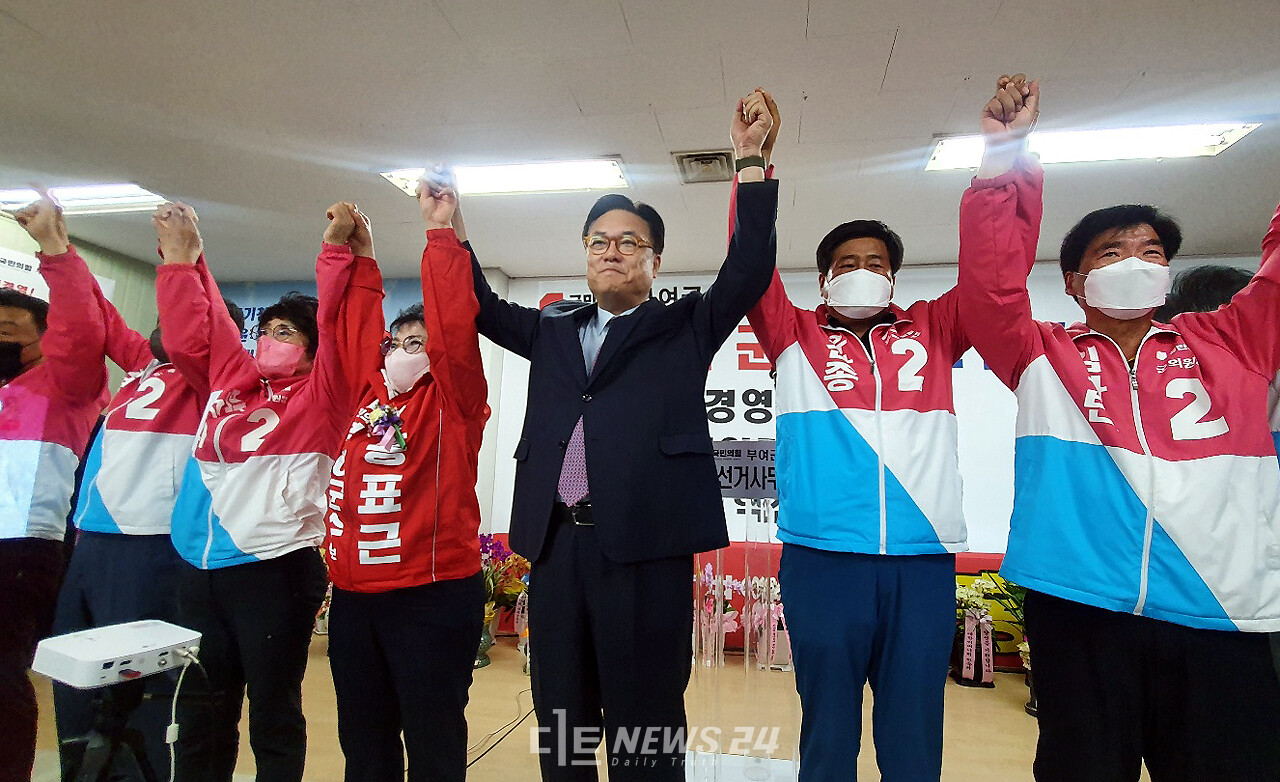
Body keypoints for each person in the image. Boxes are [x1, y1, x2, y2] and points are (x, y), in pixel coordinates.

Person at [958, 75, 1280, 780]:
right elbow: (988, 284)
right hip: (1079, 613)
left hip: (1220, 617)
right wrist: (1004, 159)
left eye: (1152, 252)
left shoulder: (1236, 344)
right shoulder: (1040, 353)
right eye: (1111, 252)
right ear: (1074, 282)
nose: (1135, 261)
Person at [468, 91, 776, 779]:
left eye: (629, 242)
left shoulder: (682, 327)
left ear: (655, 263)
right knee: (562, 715)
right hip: (555, 552)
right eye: (599, 241)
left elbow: (749, 269)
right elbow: (480, 307)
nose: (612, 251)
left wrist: (750, 162)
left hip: (645, 551)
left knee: (646, 719)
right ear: (585, 254)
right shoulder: (549, 331)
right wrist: (448, 229)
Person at [740, 82, 1037, 782]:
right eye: (848, 264)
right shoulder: (792, 335)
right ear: (822, 280)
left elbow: (997, 280)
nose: (863, 272)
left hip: (922, 562)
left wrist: (1004, 161)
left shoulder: (935, 328)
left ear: (895, 277)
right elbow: (750, 266)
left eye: (876, 263)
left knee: (912, 740)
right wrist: (752, 165)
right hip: (822, 562)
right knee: (828, 734)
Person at [153, 201, 383, 781]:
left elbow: (345, 333)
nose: (268, 340)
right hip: (198, 567)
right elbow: (198, 331)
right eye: (265, 330)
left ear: (310, 348)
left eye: (285, 333)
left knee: (272, 712)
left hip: (273, 570)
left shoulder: (324, 395)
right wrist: (184, 258)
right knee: (205, 708)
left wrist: (341, 255)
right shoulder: (231, 378)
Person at [51, 260, 245, 777]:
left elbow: (197, 328)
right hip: (93, 540)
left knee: (140, 685)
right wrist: (59, 252)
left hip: (151, 542)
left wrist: (185, 261)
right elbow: (103, 318)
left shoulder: (214, 381)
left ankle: (148, 769)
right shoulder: (141, 369)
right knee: (75, 675)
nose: (163, 321)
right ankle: (86, 766)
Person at [325, 171, 488, 782]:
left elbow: (454, 328)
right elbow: (356, 332)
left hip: (432, 596)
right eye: (400, 340)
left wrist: (439, 232)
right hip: (354, 602)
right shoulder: (366, 401)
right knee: (363, 743)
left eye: (420, 342)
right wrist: (358, 257)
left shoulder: (455, 402)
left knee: (432, 742)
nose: (405, 350)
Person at [0, 192, 109, 781]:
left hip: (22, 550)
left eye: (10, 329)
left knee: (0, 675)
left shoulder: (68, 382)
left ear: (43, 337)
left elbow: (83, 327)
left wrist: (53, 249)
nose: (1, 338)